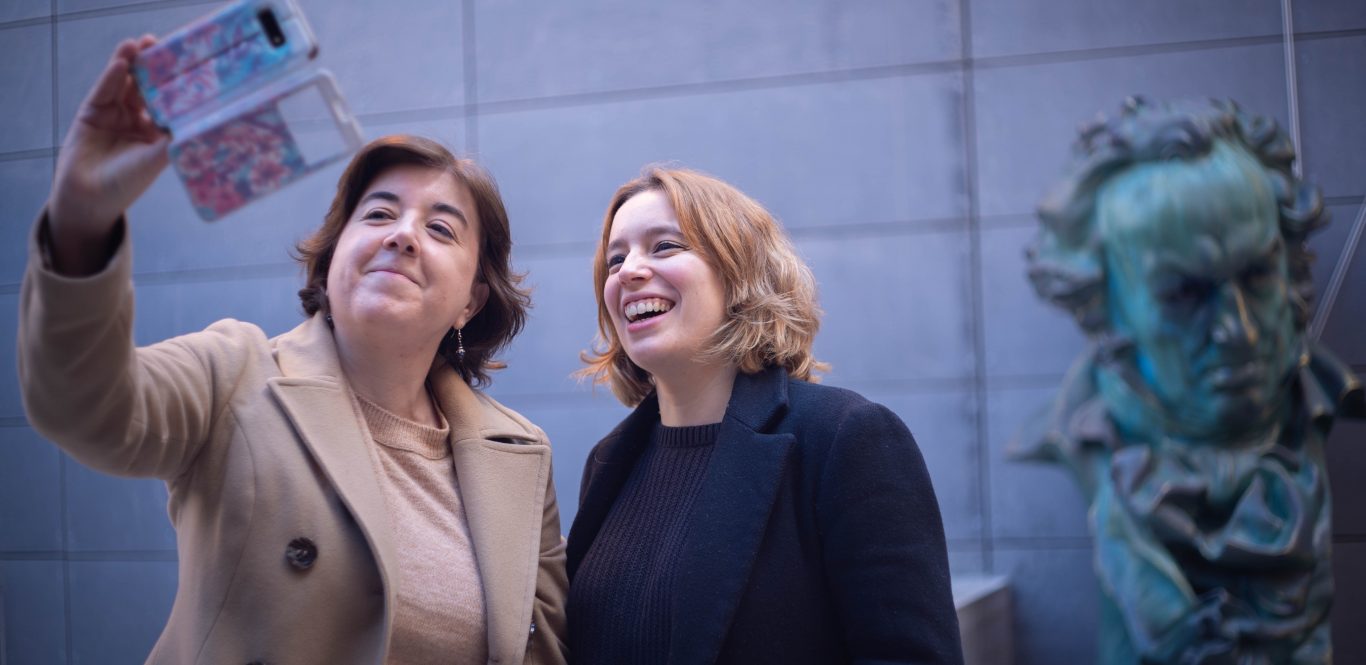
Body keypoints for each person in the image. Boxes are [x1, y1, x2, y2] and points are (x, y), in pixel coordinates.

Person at [18, 38, 567, 664]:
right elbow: (84, 406)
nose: (402, 236)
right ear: (332, 260)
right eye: (378, 214)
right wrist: (81, 221)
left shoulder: (520, 454)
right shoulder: (235, 372)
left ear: (471, 300)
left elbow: (544, 652)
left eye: (440, 228)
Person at [565, 167, 964, 664]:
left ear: (740, 274)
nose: (628, 271)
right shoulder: (608, 462)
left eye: (664, 246)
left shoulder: (845, 438)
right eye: (616, 259)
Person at [1015, 97, 1364, 663]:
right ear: (1105, 303)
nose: (1238, 331)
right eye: (1184, 293)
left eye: (1257, 275)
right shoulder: (1081, 437)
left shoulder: (1320, 398)